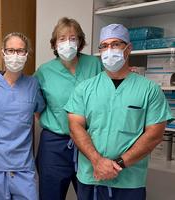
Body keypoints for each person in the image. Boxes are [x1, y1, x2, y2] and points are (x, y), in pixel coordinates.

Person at [64, 23, 173, 200]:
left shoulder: (149, 90)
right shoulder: (84, 89)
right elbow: (75, 127)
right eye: (104, 46)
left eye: (116, 44)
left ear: (128, 49)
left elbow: (154, 134)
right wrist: (97, 161)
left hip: (129, 180)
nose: (109, 50)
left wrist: (118, 164)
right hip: (92, 176)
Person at [34, 17, 103, 200]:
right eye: (62, 38)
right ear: (54, 44)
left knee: (91, 193)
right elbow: (34, 105)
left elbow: (112, 90)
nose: (68, 43)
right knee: (50, 195)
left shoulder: (95, 65)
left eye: (73, 38)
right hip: (55, 144)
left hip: (90, 141)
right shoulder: (44, 72)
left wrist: (130, 74)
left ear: (80, 41)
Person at [0, 32, 45, 200]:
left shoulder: (33, 84)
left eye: (20, 51)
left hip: (22, 164)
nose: (15, 55)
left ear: (27, 54)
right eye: (11, 50)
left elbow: (39, 112)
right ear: (3, 53)